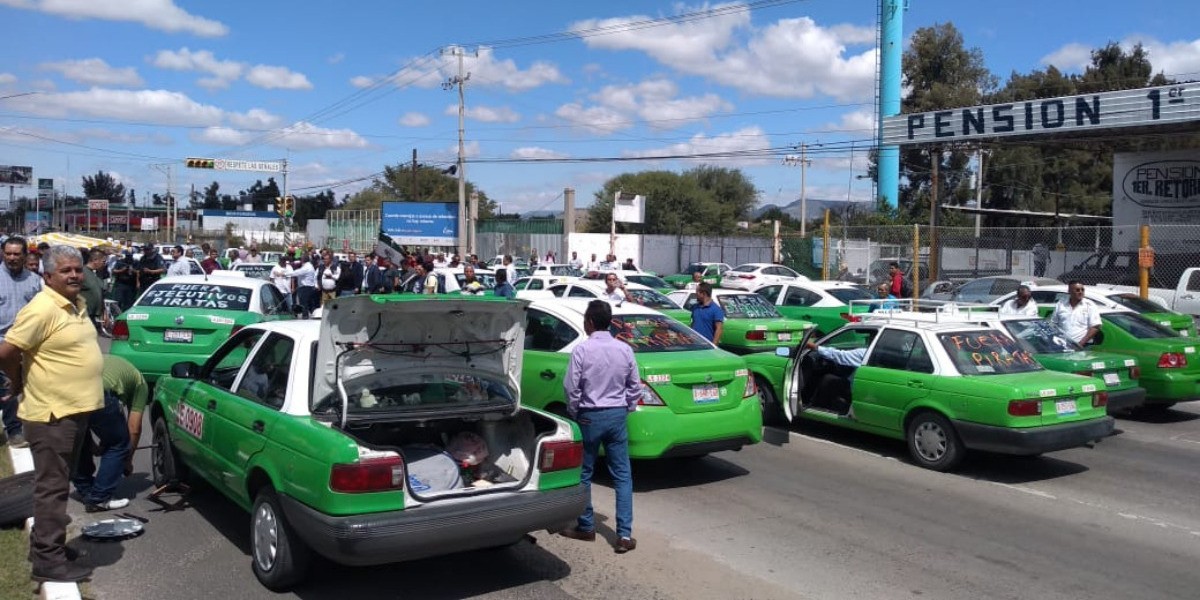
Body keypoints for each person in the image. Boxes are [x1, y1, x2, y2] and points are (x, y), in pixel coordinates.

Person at [0, 245, 103, 582]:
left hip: (74, 412)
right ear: (47, 276)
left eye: (77, 269)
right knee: (52, 490)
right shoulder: (42, 308)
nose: (74, 275)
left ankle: (45, 545)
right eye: (66, 271)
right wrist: (16, 381)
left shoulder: (75, 304)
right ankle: (48, 562)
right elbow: (7, 350)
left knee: (58, 484)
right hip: (52, 416)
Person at [559, 300, 638, 554]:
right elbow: (634, 385)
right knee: (622, 475)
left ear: (591, 322)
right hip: (616, 415)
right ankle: (624, 535)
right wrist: (626, 407)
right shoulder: (624, 350)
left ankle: (586, 526)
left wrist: (575, 411)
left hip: (589, 415)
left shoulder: (582, 350)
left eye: (585, 319)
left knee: (584, 473)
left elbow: (571, 387)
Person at [73, 355, 146, 513]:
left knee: (77, 439)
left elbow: (84, 426)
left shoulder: (110, 363)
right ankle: (99, 498)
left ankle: (85, 488)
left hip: (70, 390)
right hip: (98, 393)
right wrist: (127, 460)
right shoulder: (141, 383)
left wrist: (93, 446)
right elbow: (134, 427)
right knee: (119, 443)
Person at [0, 236, 43, 448]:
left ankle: (33, 428)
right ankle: (15, 431)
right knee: (7, 387)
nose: (12, 258)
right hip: (2, 343)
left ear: (25, 255)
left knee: (29, 389)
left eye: (17, 254)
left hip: (28, 346)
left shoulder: (35, 281)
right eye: (8, 253)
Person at [802, 335, 868, 414]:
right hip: (865, 389)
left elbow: (839, 355)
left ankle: (818, 408)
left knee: (828, 379)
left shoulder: (865, 353)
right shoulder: (877, 353)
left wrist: (814, 347)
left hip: (857, 390)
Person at [1051, 280, 1101, 345]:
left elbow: (1095, 326)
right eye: (1077, 290)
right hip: (1063, 344)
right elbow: (1053, 324)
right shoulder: (1061, 304)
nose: (1080, 292)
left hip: (1083, 345)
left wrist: (1080, 344)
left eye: (1082, 290)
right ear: (1069, 291)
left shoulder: (1089, 305)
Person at [80, 249, 107, 332]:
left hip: (94, 316)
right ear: (95, 260)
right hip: (83, 315)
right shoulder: (82, 272)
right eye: (103, 261)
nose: (104, 264)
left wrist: (104, 312)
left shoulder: (98, 274)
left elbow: (101, 294)